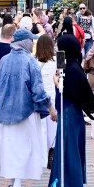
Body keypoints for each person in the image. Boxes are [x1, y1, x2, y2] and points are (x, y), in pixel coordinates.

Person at [0, 28, 57, 187]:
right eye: (31, 40)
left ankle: (15, 185)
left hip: (4, 114)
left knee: (10, 149)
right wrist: (50, 108)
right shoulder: (30, 61)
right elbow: (38, 91)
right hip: (26, 113)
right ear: (24, 42)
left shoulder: (4, 60)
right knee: (26, 150)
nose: (32, 43)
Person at [48, 32, 94, 187]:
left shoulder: (73, 69)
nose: (56, 50)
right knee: (66, 150)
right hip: (67, 112)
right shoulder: (69, 64)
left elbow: (69, 90)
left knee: (70, 151)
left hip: (69, 112)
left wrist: (56, 82)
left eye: (59, 47)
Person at [34, 32, 59, 164]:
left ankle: (42, 158)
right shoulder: (56, 61)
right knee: (52, 128)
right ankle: (52, 153)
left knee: (41, 129)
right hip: (52, 97)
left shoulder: (33, 61)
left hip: (38, 98)